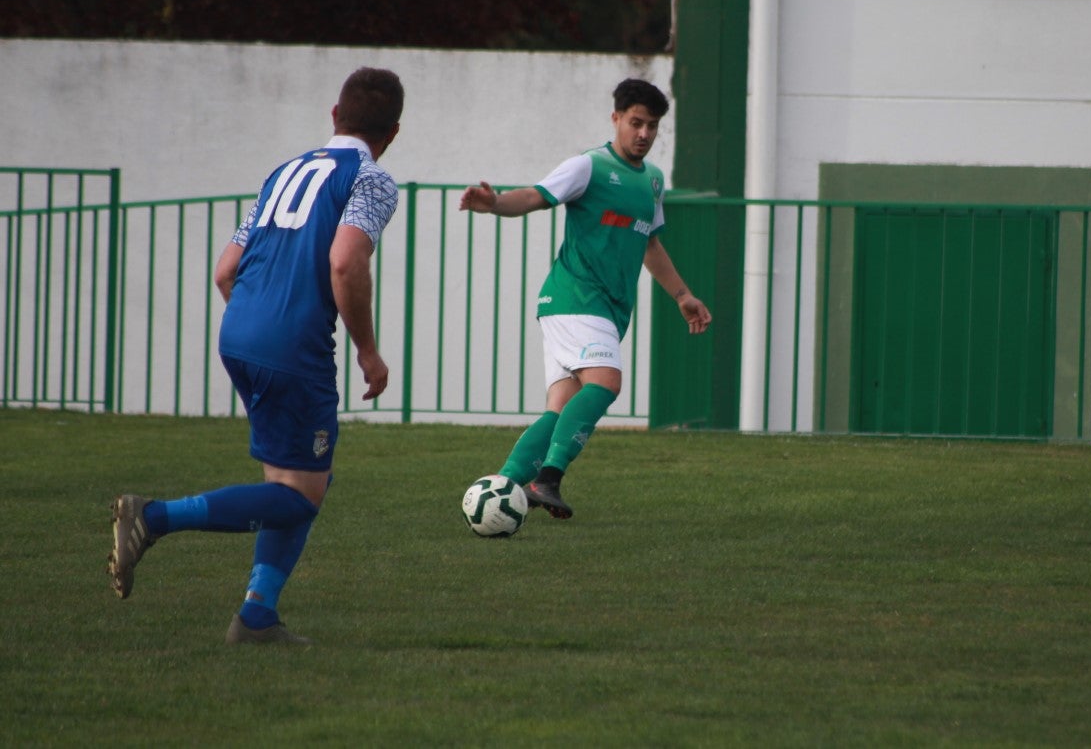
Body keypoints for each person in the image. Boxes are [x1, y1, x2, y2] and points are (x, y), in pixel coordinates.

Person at [108, 67, 404, 645]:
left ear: (334, 116)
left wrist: (256, 324)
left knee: (294, 481)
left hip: (240, 329)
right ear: (392, 132)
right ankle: (153, 517)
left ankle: (257, 617)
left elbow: (227, 269)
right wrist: (368, 351)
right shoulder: (371, 179)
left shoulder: (283, 171)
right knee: (299, 499)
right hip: (292, 344)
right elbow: (345, 262)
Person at [458, 78, 711, 519]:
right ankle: (548, 479)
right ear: (616, 118)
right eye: (636, 122)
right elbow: (536, 196)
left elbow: (650, 243)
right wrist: (495, 203)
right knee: (606, 381)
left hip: (603, 310)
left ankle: (498, 491)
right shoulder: (588, 166)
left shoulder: (652, 181)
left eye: (652, 126)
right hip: (575, 297)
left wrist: (682, 295)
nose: (644, 134)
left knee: (560, 411)